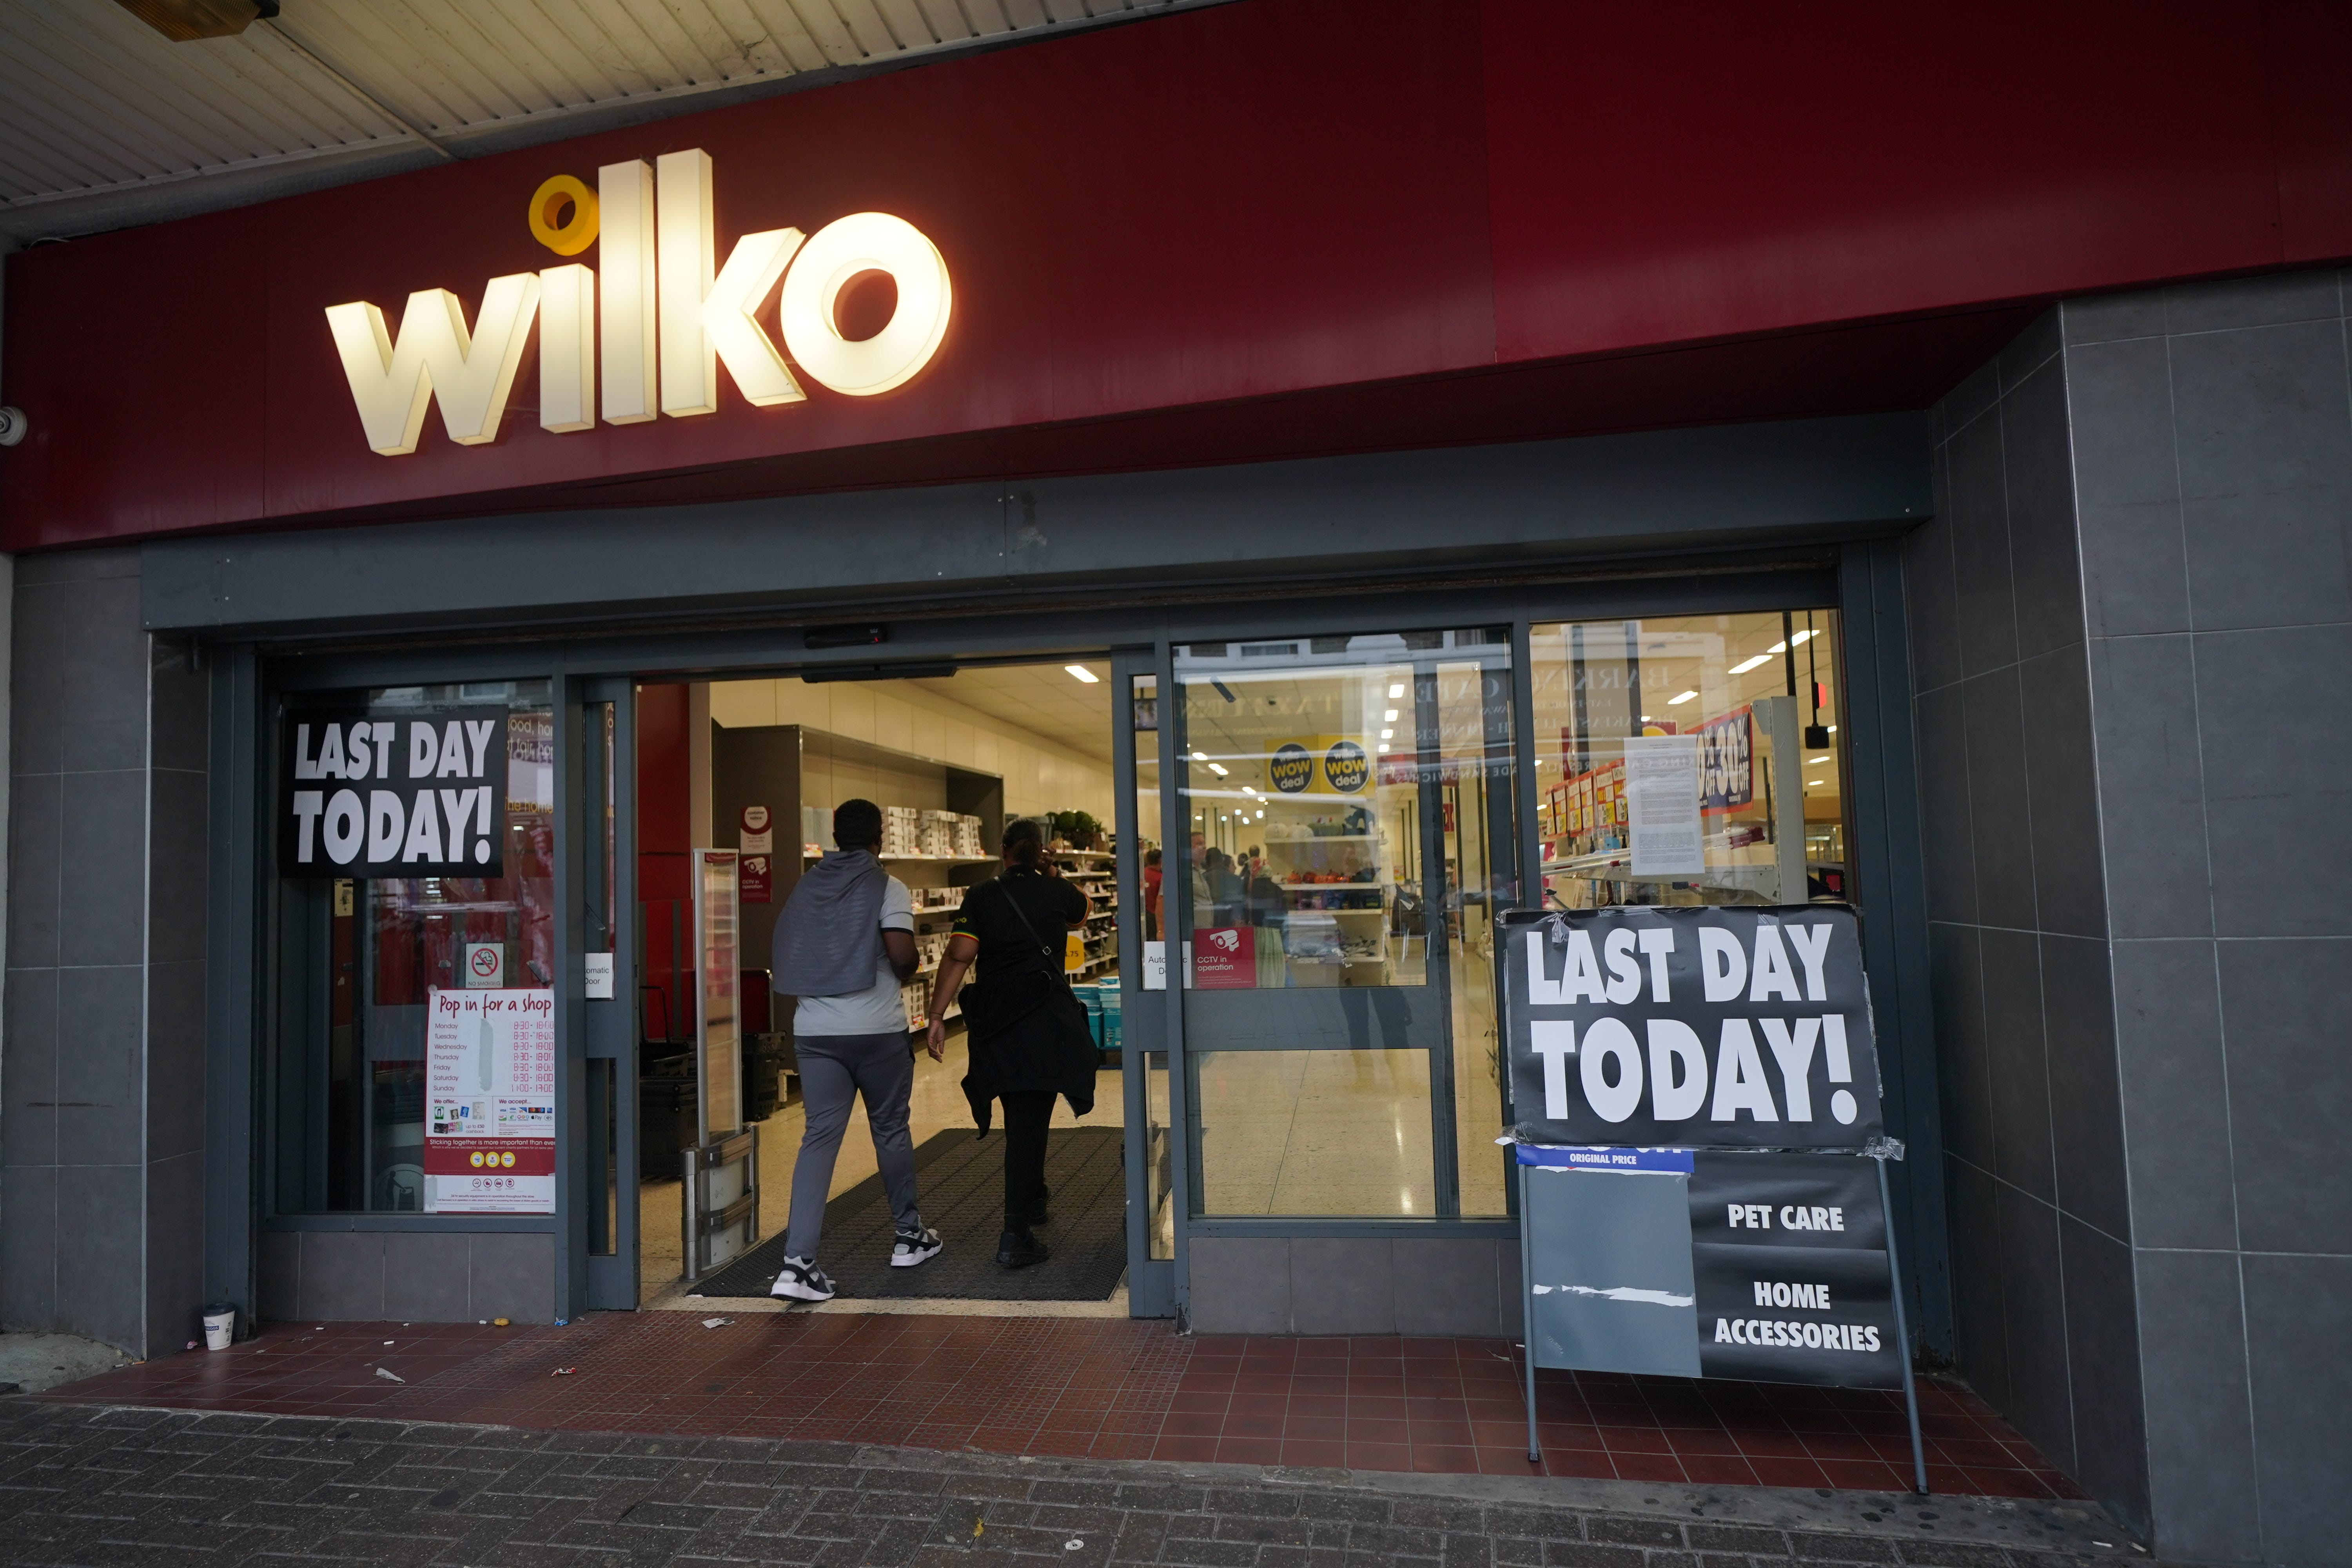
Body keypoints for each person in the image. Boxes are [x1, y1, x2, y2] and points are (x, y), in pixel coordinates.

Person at [765, 798, 942, 1301]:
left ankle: (797, 1265)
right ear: (879, 838)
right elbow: (903, 953)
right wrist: (901, 970)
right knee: (889, 1128)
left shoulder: (807, 888)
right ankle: (909, 1237)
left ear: (833, 837)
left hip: (815, 1033)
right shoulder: (888, 886)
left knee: (818, 1139)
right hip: (876, 1031)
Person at [926, 818, 1094, 1269]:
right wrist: (1055, 874)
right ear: (1041, 852)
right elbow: (1085, 911)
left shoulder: (982, 895)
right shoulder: (1056, 891)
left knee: (1022, 1116)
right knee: (1028, 1121)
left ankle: (1034, 1198)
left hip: (999, 1023)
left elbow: (959, 954)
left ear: (1003, 850)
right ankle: (1015, 1233)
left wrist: (937, 1015)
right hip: (1043, 1020)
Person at [1142, 847, 1163, 941]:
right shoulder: (1160, 878)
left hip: (1142, 915)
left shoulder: (1141, 874)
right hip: (1155, 918)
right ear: (1160, 860)